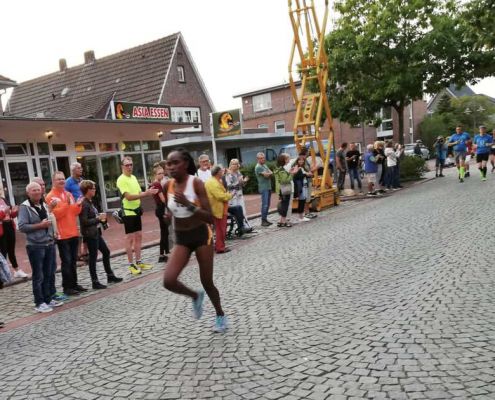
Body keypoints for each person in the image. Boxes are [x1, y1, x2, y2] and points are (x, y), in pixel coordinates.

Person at [163, 148, 228, 333]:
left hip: (201, 235)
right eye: (169, 164)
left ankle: (220, 315)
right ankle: (194, 296)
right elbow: (170, 210)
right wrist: (168, 215)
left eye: (175, 163)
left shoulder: (197, 183)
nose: (171, 167)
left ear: (185, 164)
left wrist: (188, 205)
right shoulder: (167, 185)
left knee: (207, 281)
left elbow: (209, 217)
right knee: (168, 280)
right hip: (182, 238)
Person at [18, 182, 63, 313]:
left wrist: (50, 211)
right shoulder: (24, 207)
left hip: (48, 243)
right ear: (28, 193)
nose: (37, 192)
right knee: (39, 276)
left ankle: (48, 299)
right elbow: (22, 227)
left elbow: (48, 219)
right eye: (34, 190)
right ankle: (39, 302)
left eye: (38, 190)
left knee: (49, 274)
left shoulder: (43, 204)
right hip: (35, 246)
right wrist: (40, 225)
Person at [116, 156, 158, 275]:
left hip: (136, 210)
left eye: (131, 165)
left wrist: (148, 192)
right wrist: (146, 194)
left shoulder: (133, 177)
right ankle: (131, 264)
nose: (129, 167)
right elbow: (128, 196)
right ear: (122, 167)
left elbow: (139, 192)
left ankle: (139, 261)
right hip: (128, 212)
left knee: (139, 236)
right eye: (127, 165)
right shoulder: (121, 179)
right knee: (129, 238)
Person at [46, 171, 85, 296]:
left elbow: (73, 212)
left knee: (73, 260)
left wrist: (78, 205)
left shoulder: (68, 194)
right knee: (66, 261)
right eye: (58, 179)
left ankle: (74, 284)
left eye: (63, 179)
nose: (62, 181)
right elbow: (55, 215)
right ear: (53, 181)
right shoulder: (50, 196)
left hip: (73, 231)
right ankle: (67, 287)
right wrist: (67, 204)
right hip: (62, 234)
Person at [79, 180, 123, 289]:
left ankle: (110, 275)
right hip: (90, 234)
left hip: (95, 232)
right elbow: (84, 221)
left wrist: (99, 217)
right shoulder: (84, 203)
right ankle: (95, 281)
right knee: (93, 257)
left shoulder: (90, 201)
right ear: (87, 190)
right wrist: (97, 218)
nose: (94, 190)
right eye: (93, 188)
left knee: (106, 251)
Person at [0, 188, 27, 278]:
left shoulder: (3, 199)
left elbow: (10, 214)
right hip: (1, 228)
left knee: (11, 249)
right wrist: (4, 212)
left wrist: (15, 211)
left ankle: (16, 270)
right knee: (3, 252)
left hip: (9, 226)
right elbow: (4, 213)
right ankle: (3, 274)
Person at [205, 165, 232, 253]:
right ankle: (220, 247)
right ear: (218, 172)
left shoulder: (215, 181)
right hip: (217, 210)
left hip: (217, 208)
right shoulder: (213, 182)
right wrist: (229, 195)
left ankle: (219, 246)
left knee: (220, 229)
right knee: (221, 229)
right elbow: (220, 196)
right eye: (221, 171)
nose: (223, 172)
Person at [65, 162, 88, 261]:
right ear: (73, 170)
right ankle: (78, 253)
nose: (81, 169)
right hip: (75, 210)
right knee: (78, 232)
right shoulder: (68, 182)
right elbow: (66, 196)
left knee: (85, 230)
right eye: (79, 168)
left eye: (81, 167)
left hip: (84, 208)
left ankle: (85, 251)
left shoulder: (82, 180)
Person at [149, 164, 171, 263]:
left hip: (160, 209)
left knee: (165, 231)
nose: (162, 175)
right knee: (164, 232)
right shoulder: (157, 184)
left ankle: (166, 252)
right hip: (161, 209)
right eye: (159, 173)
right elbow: (162, 199)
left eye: (162, 173)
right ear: (155, 174)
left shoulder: (155, 183)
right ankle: (162, 254)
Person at [225, 159, 252, 232]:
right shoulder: (228, 174)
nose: (235, 165)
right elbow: (229, 186)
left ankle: (246, 225)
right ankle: (240, 226)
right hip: (232, 196)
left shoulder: (238, 172)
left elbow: (242, 185)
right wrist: (239, 182)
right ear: (230, 165)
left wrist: (244, 181)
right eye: (233, 164)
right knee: (236, 211)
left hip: (239, 194)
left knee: (243, 210)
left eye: (236, 164)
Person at [273, 153, 296, 227]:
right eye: (287, 159)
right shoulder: (281, 170)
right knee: (285, 206)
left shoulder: (278, 168)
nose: (289, 160)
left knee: (284, 205)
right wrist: (292, 174)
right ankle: (284, 221)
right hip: (284, 189)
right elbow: (285, 180)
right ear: (284, 160)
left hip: (280, 189)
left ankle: (281, 221)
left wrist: (289, 173)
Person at [254, 152, 273, 227]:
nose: (263, 159)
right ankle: (263, 220)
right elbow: (267, 175)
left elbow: (270, 173)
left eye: (263, 158)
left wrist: (269, 173)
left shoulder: (264, 165)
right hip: (263, 188)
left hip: (268, 187)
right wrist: (269, 173)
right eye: (261, 158)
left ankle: (265, 219)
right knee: (265, 204)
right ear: (258, 159)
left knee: (268, 204)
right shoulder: (258, 167)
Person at [292, 155, 311, 222]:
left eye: (302, 160)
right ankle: (301, 217)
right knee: (301, 201)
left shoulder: (303, 167)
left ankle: (302, 216)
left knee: (303, 200)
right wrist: (306, 175)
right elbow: (297, 176)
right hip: (300, 186)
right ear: (297, 161)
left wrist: (308, 175)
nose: (301, 161)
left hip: (304, 185)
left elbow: (304, 175)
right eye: (300, 160)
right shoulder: (296, 167)